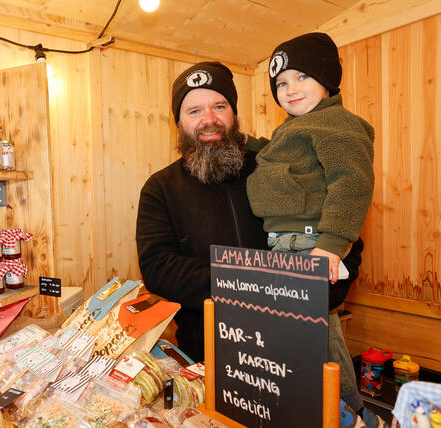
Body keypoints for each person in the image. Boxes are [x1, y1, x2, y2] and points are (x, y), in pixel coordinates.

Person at [135, 60, 363, 361]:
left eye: (219, 106)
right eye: (194, 111)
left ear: (234, 114)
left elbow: (343, 233)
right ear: (178, 123)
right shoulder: (160, 188)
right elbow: (159, 268)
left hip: (294, 346)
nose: (209, 119)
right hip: (207, 355)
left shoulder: (280, 166)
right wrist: (257, 284)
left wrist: (319, 295)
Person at [245, 33, 382, 427]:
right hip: (284, 248)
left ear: (327, 80)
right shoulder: (296, 128)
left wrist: (331, 248)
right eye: (281, 83)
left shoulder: (336, 124)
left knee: (311, 342)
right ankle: (341, 412)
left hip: (307, 246)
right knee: (309, 339)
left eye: (302, 77)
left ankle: (351, 415)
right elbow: (278, 156)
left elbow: (352, 182)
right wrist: (248, 143)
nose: (290, 90)